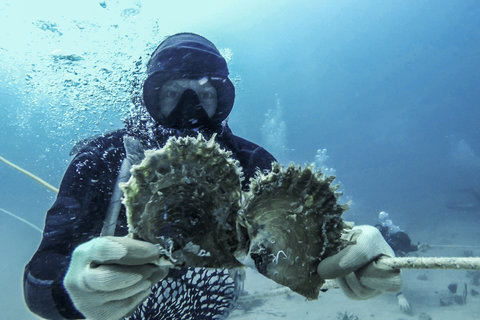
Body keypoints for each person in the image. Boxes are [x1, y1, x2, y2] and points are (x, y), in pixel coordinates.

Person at [24, 32, 402, 320]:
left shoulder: (250, 163)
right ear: (150, 98)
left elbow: (289, 248)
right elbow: (38, 278)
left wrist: (348, 254)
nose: (189, 107)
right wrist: (71, 290)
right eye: (171, 92)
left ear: (222, 100)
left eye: (205, 92)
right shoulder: (103, 160)